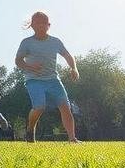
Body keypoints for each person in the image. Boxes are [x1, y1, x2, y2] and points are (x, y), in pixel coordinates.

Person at [15, 11, 80, 143]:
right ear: (32, 26)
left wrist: (74, 68)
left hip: (53, 80)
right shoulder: (27, 42)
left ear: (48, 25)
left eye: (43, 23)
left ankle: (72, 138)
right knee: (39, 107)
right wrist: (30, 67)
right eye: (37, 23)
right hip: (34, 80)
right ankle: (30, 129)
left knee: (65, 106)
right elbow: (18, 61)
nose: (40, 26)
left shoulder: (55, 42)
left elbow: (67, 55)